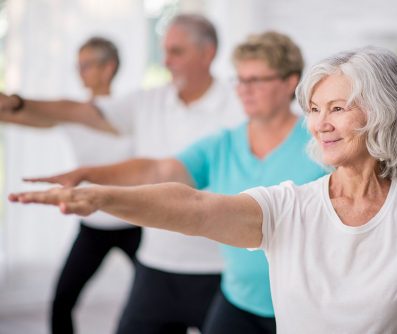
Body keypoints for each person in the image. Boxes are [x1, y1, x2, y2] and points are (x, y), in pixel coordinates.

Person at [9, 46, 397, 333]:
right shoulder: (288, 205)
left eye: (338, 108)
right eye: (315, 110)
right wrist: (103, 195)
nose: (320, 124)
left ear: (382, 114)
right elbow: (192, 204)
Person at [19, 31, 326, 334]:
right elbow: (159, 171)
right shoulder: (223, 144)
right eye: (240, 80)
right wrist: (90, 177)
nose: (245, 89)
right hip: (238, 301)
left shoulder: (321, 144)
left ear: (289, 82)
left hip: (301, 305)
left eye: (256, 80)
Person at [1, 14, 244, 333]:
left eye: (176, 51)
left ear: (207, 53)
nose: (166, 61)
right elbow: (78, 111)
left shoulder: (240, 104)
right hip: (155, 263)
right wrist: (17, 103)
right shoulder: (147, 101)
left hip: (217, 266)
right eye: (164, 50)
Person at [0, 36, 141, 334]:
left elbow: (72, 111)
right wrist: (9, 106)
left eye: (87, 64)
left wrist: (15, 101)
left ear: (109, 67)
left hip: (134, 223)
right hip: (93, 226)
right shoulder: (70, 114)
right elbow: (23, 116)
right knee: (62, 301)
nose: (80, 72)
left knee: (152, 302)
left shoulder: (128, 109)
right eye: (78, 65)